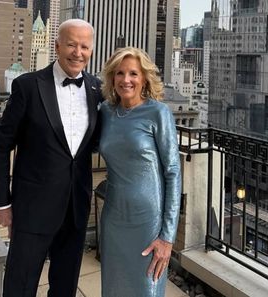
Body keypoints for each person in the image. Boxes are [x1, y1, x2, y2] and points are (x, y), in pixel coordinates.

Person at [0, 19, 102, 297]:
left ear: (91, 50)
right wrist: (2, 202)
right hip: (32, 208)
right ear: (57, 45)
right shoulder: (27, 86)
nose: (78, 52)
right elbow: (1, 147)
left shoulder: (98, 88)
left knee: (65, 285)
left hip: (75, 207)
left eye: (84, 46)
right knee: (20, 284)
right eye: (72, 44)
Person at [99, 47, 181, 297]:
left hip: (148, 223)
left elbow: (173, 173)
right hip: (113, 219)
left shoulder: (158, 112)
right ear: (112, 77)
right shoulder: (105, 112)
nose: (126, 80)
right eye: (120, 73)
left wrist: (167, 236)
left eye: (133, 73)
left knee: (146, 289)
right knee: (113, 289)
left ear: (144, 78)